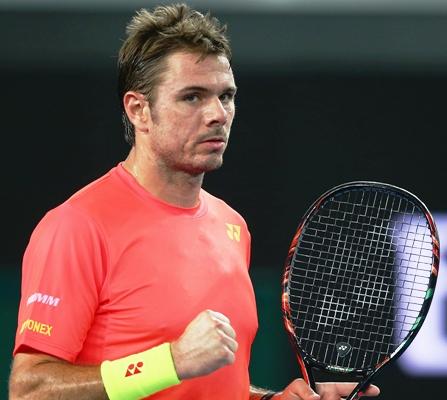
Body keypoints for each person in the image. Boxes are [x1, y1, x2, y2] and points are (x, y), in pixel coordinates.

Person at [9, 4, 380, 400]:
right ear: (139, 111)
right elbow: (31, 389)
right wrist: (170, 361)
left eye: (226, 96)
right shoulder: (78, 226)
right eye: (192, 97)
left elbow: (209, 386)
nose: (217, 114)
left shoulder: (231, 226)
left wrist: (269, 399)